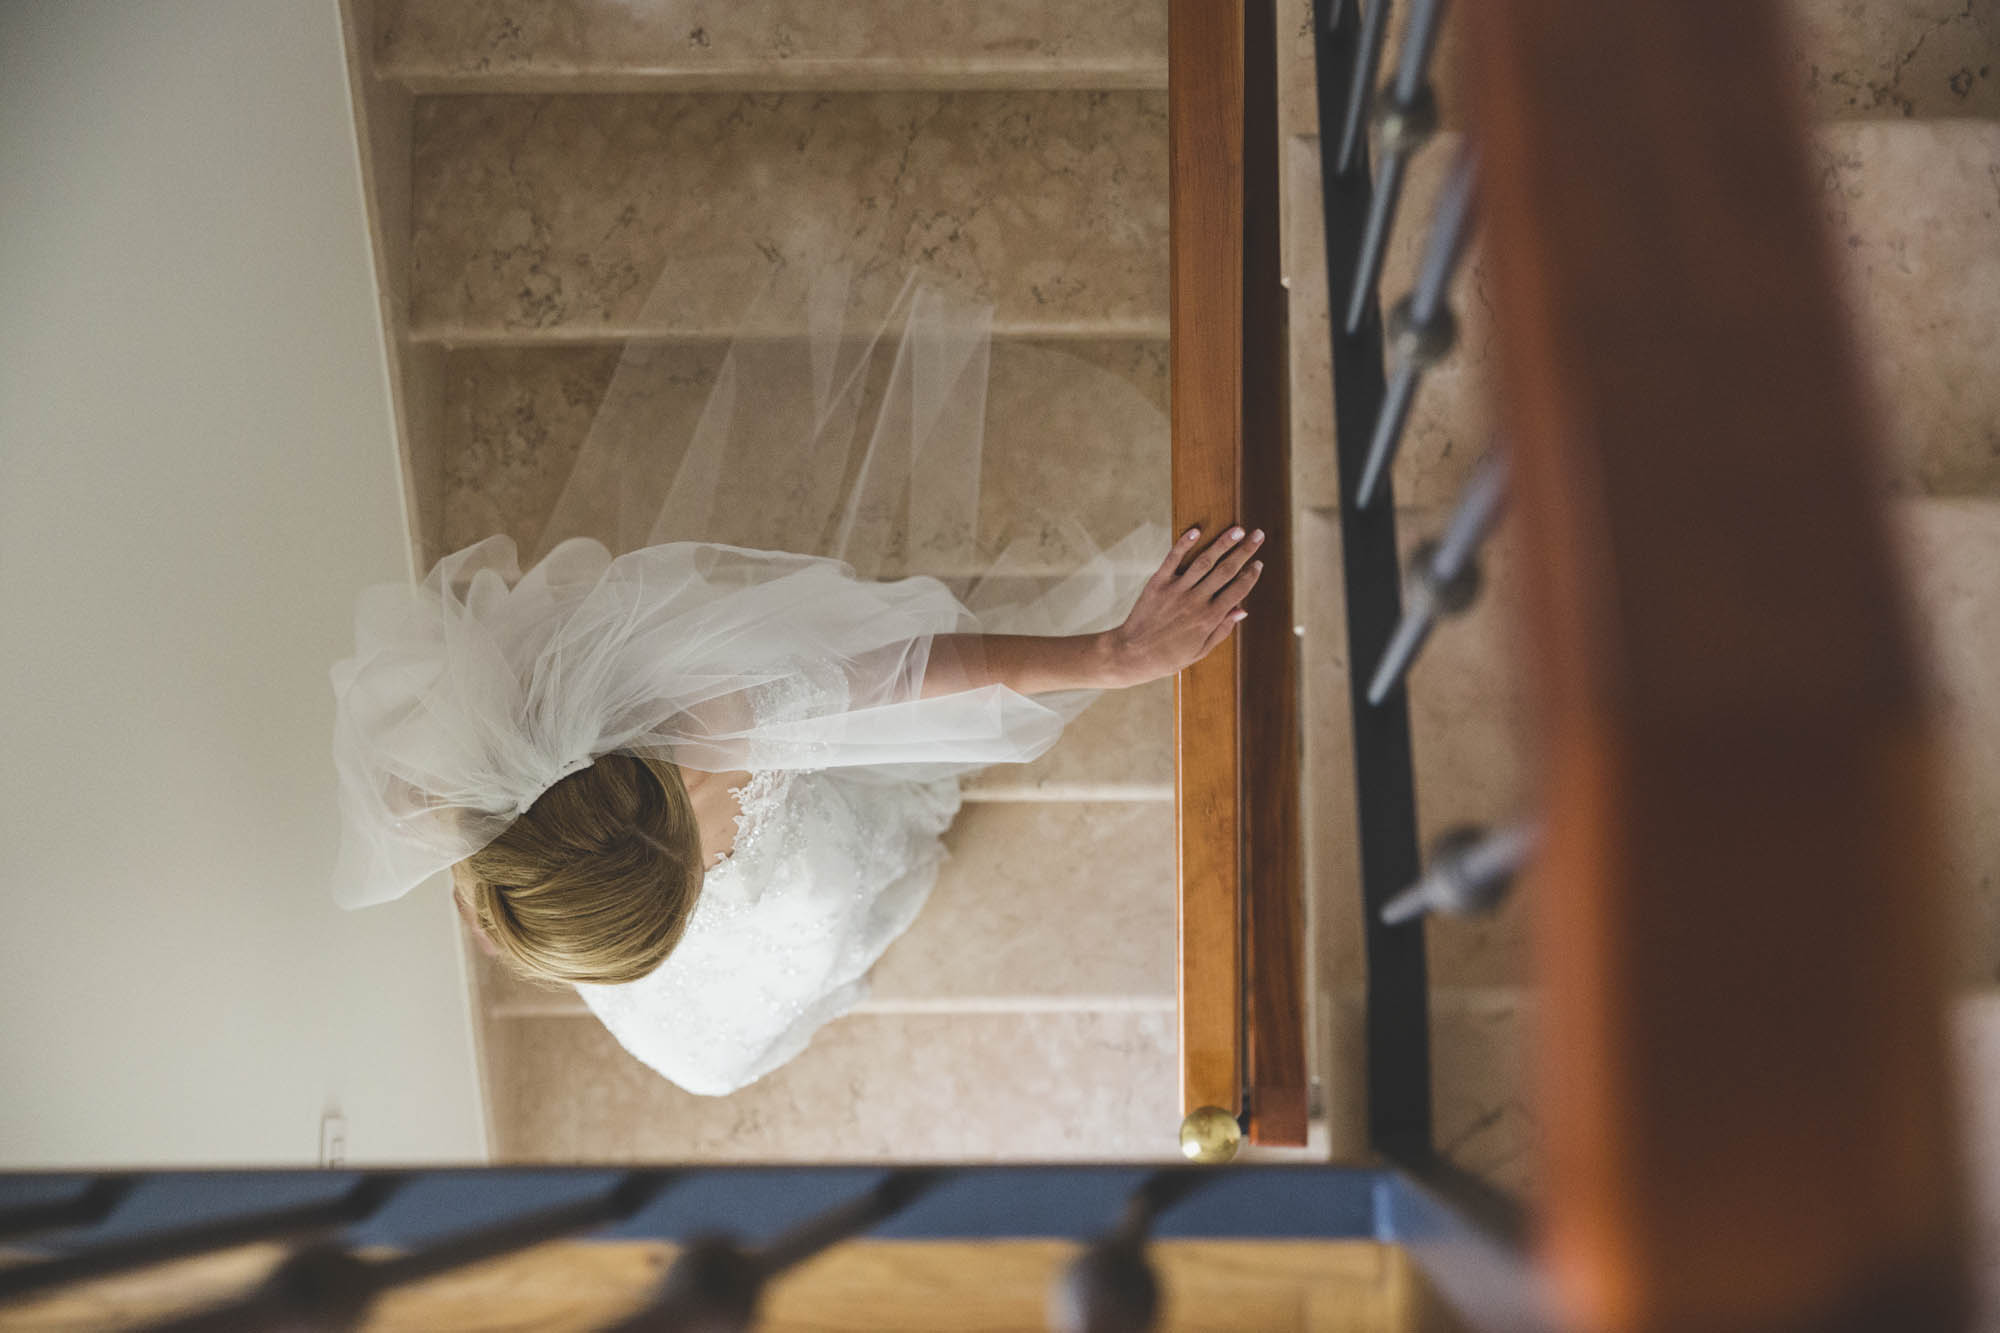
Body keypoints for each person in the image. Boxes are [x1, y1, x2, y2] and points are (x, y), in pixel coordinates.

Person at [329, 271, 1265, 1095]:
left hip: (691, 838)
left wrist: (1109, 656)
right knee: (718, 1046)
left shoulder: (715, 716)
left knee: (820, 904)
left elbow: (915, 672)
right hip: (599, 891)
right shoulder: (482, 821)